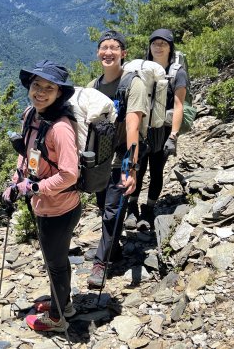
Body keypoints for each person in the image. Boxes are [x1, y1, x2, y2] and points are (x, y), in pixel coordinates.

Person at [2, 60, 82, 333]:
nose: (41, 91)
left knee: (56, 264)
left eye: (49, 87)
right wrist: (16, 181)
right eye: (37, 85)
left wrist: (34, 188)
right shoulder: (31, 115)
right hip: (44, 205)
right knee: (54, 260)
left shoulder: (60, 128)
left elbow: (70, 174)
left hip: (59, 208)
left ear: (59, 93)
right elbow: (27, 153)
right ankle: (65, 305)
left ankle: (59, 319)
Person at [86, 30, 148, 289]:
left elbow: (133, 126)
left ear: (123, 54)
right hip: (100, 155)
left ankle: (102, 262)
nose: (108, 52)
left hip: (123, 154)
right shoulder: (93, 86)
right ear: (98, 52)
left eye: (114, 48)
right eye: (104, 48)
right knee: (105, 207)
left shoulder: (134, 84)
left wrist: (131, 168)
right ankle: (114, 249)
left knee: (112, 210)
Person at [128, 28, 188, 230]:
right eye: (155, 43)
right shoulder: (142, 70)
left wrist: (174, 135)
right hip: (142, 128)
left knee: (156, 171)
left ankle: (149, 209)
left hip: (163, 130)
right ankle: (131, 207)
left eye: (163, 43)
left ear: (170, 47)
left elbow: (179, 104)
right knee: (137, 167)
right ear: (150, 46)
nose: (158, 47)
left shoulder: (177, 72)